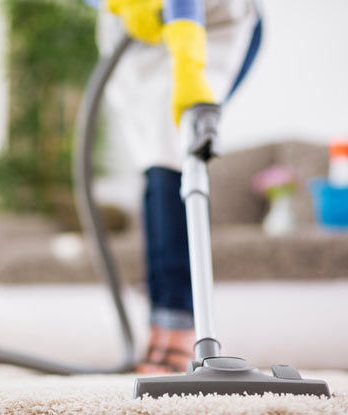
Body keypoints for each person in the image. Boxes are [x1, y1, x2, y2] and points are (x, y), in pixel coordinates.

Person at [89, 0, 262, 373]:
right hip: (137, 37)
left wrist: (188, 64)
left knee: (174, 155)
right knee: (155, 163)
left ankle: (180, 328)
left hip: (211, 23)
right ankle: (162, 328)